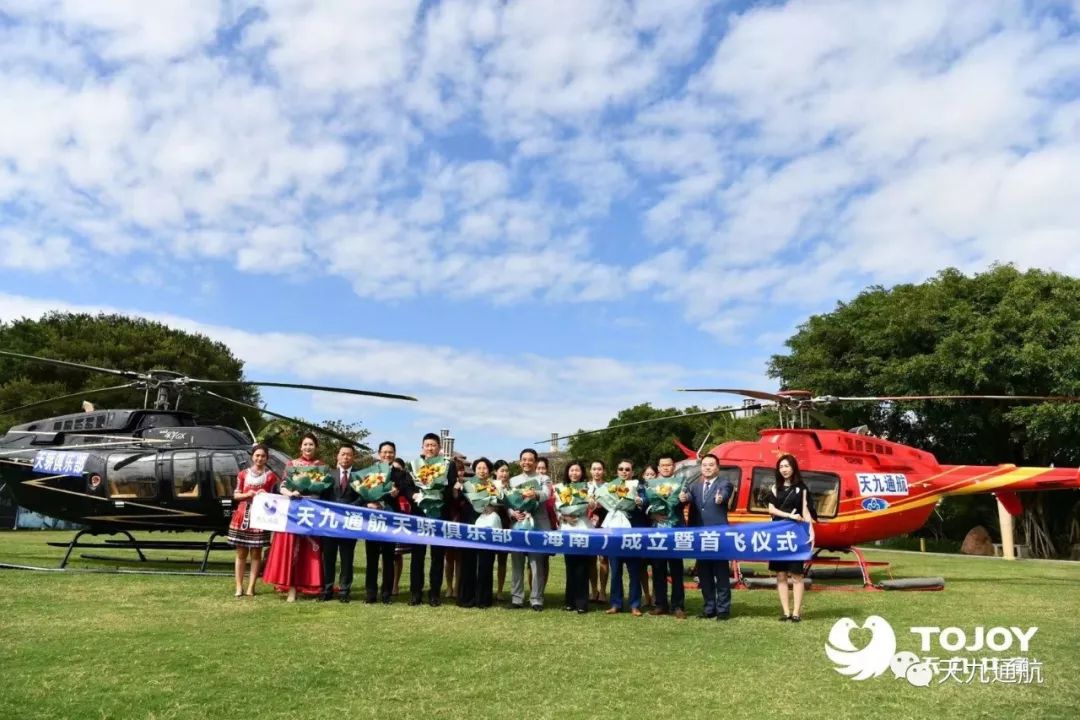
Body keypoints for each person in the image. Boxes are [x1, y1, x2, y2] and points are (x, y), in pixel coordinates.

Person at [263, 433, 325, 602]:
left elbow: (323, 488)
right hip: (294, 512)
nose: (308, 447)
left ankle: (310, 584)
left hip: (312, 513)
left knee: (311, 550)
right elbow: (282, 485)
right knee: (293, 549)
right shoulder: (292, 464)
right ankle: (292, 588)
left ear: (316, 447)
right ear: (300, 446)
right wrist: (291, 493)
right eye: (305, 444)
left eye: (311, 444)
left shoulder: (321, 466)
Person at [679, 453, 734, 620]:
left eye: (711, 465)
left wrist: (720, 498)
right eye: (704, 465)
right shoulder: (695, 486)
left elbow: (724, 494)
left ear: (717, 467)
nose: (707, 468)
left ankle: (723, 610)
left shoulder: (724, 483)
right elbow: (687, 496)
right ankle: (709, 608)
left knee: (722, 575)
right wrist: (683, 498)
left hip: (718, 537)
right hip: (700, 537)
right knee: (705, 575)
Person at [409, 433, 458, 606]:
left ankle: (434, 594)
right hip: (420, 514)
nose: (430, 448)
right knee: (417, 555)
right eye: (427, 445)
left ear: (439, 448)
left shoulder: (448, 465)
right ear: (422, 447)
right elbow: (409, 487)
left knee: (437, 556)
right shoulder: (415, 465)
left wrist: (438, 494)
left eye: (433, 445)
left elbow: (451, 485)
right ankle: (415, 593)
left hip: (439, 514)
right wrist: (415, 494)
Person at [767, 453, 816, 622]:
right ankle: (786, 611)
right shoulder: (775, 488)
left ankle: (796, 612)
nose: (784, 470)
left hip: (796, 536)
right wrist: (790, 516)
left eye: (787, 466)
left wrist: (812, 532)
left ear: (793, 467)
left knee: (796, 575)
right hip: (778, 535)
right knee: (780, 575)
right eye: (781, 467)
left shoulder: (801, 488)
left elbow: (806, 511)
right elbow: (771, 510)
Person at [363, 441, 412, 604]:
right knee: (371, 557)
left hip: (391, 520)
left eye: (390, 452)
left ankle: (386, 594)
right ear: (379, 454)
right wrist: (369, 503)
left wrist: (397, 492)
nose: (387, 455)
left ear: (395, 454)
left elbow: (408, 491)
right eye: (384, 452)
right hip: (373, 519)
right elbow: (363, 491)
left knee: (389, 558)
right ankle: (370, 593)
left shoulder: (400, 474)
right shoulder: (370, 471)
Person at [227, 444, 279, 597]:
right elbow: (236, 495)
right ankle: (238, 586)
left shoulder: (270, 476)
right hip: (243, 514)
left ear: (266, 458)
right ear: (252, 456)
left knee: (256, 554)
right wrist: (247, 494)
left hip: (261, 517)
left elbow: (274, 499)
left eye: (263, 456)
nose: (260, 458)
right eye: (257, 455)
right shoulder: (243, 474)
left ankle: (251, 587)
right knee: (241, 553)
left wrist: (265, 494)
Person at [508, 448, 551, 610]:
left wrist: (534, 494)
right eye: (524, 459)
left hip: (538, 524)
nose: (527, 462)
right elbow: (507, 501)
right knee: (517, 562)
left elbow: (547, 494)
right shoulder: (513, 480)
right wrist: (512, 513)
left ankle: (536, 599)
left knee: (537, 563)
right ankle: (517, 598)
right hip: (518, 524)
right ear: (520, 462)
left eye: (530, 459)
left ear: (535, 461)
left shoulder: (543, 478)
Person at [604, 460, 647, 616]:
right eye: (621, 469)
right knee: (615, 572)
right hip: (615, 534)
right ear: (617, 471)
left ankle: (635, 604)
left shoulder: (639, 486)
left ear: (632, 472)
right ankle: (616, 603)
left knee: (634, 572)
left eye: (627, 469)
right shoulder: (611, 487)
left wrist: (639, 501)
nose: (624, 471)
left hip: (633, 534)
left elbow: (646, 500)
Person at [318, 443, 359, 602]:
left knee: (347, 559)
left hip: (349, 523)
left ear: (353, 457)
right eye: (343, 454)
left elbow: (363, 496)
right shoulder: (329, 475)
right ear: (338, 456)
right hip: (330, 524)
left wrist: (350, 507)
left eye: (349, 454)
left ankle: (344, 591)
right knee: (328, 558)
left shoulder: (358, 476)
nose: (345, 457)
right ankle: (327, 590)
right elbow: (322, 495)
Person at [647, 456, 686, 618]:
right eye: (662, 465)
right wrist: (652, 514)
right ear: (658, 467)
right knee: (658, 569)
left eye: (668, 465)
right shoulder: (650, 484)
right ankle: (660, 604)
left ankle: (678, 606)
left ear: (673, 466)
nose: (665, 468)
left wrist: (685, 498)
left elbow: (687, 497)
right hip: (657, 531)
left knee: (677, 569)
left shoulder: (681, 482)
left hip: (676, 530)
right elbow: (644, 502)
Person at [460, 457, 501, 608]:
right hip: (470, 523)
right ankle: (466, 598)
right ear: (474, 469)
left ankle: (483, 599)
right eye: (479, 468)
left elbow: (500, 502)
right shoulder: (467, 485)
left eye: (485, 468)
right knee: (468, 562)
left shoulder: (494, 485)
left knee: (486, 562)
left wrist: (494, 506)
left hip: (488, 525)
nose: (482, 471)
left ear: (489, 471)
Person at [556, 461, 590, 613]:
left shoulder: (588, 487)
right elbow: (556, 507)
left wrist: (591, 502)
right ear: (567, 472)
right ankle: (569, 601)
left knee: (582, 567)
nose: (574, 473)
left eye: (577, 470)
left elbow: (594, 504)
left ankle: (582, 603)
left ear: (582, 472)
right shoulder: (561, 488)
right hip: (567, 528)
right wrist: (564, 516)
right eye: (571, 470)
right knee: (570, 566)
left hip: (583, 527)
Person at [585, 460, 609, 604]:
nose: (597, 472)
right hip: (588, 524)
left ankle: (603, 592)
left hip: (605, 524)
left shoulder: (609, 487)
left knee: (604, 559)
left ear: (604, 471)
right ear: (590, 471)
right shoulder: (585, 486)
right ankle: (593, 590)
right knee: (591, 560)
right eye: (594, 469)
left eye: (599, 469)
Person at [390, 456, 412, 596]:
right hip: (386, 519)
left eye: (398, 468)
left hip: (402, 520)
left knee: (397, 554)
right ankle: (387, 582)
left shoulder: (406, 481)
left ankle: (395, 585)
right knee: (386, 555)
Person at [492, 460, 512, 601]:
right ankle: (487, 588)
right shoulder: (490, 486)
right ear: (495, 472)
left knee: (503, 560)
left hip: (506, 524)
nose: (504, 474)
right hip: (491, 525)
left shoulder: (513, 487)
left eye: (506, 471)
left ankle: (500, 590)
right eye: (501, 471)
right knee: (489, 559)